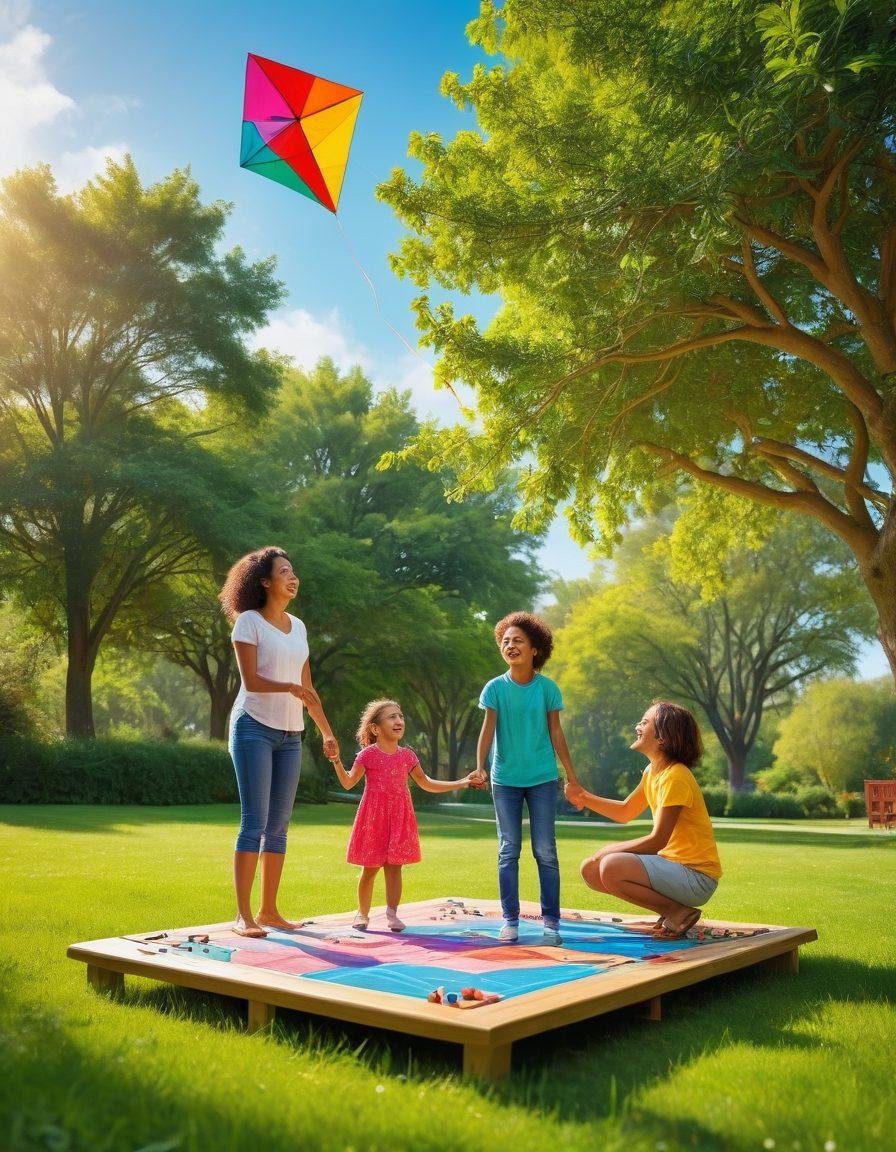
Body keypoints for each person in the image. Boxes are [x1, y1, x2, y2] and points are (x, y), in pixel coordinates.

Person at [219, 546, 338, 938]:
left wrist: (325, 730)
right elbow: (251, 681)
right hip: (253, 725)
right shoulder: (248, 623)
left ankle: (268, 911)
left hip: (291, 734)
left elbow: (308, 688)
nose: (293, 577)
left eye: (293, 570)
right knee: (253, 822)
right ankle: (243, 916)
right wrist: (289, 687)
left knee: (279, 827)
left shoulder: (299, 627)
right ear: (265, 582)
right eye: (284, 571)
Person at [471, 611, 581, 948]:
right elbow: (486, 731)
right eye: (506, 641)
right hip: (505, 781)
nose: (510, 645)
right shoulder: (495, 689)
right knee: (508, 849)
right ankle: (510, 920)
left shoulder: (547, 688)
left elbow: (556, 731)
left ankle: (551, 922)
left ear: (535, 649)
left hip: (543, 778)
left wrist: (571, 776)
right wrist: (479, 767)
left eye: (518, 640)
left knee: (545, 850)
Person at [566, 700, 722, 938]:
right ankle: (673, 910)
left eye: (645, 722)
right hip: (675, 870)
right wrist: (584, 797)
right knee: (591, 870)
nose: (637, 725)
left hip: (697, 878)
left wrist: (609, 849)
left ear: (663, 738)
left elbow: (657, 840)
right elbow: (626, 811)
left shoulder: (676, 776)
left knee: (610, 865)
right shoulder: (653, 772)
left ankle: (677, 912)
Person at [328, 699, 480, 931]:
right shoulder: (367, 755)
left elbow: (426, 783)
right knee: (369, 868)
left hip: (400, 816)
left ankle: (392, 914)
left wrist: (463, 782)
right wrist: (336, 760)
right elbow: (348, 782)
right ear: (375, 728)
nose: (399, 721)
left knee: (394, 866)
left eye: (400, 716)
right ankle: (362, 913)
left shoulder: (407, 756)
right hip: (374, 817)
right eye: (392, 717)